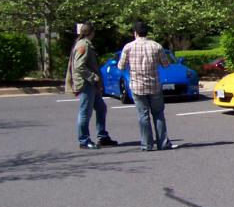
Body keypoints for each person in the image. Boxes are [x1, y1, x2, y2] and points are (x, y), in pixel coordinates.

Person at [117, 20, 175, 151]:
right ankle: (163, 142)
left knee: (143, 115)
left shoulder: (128, 47)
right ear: (146, 32)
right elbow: (166, 64)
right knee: (158, 114)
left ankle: (146, 144)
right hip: (154, 84)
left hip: (137, 86)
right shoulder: (156, 46)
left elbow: (120, 66)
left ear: (135, 33)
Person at [65, 22, 118, 150]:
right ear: (91, 32)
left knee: (101, 108)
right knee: (85, 112)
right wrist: (93, 77)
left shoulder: (86, 44)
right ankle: (84, 140)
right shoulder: (83, 45)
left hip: (92, 84)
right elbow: (79, 66)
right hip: (86, 83)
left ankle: (102, 136)